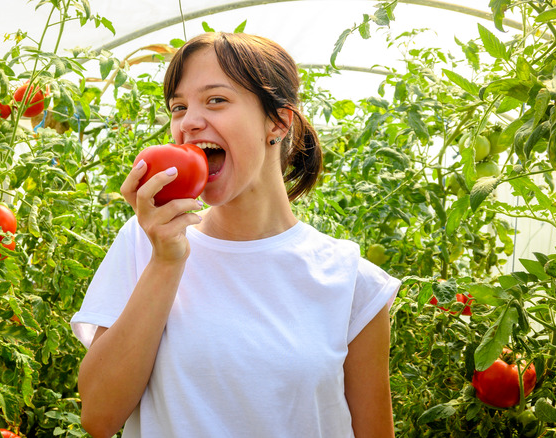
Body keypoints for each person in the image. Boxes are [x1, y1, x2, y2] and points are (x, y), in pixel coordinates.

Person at [71, 32, 401, 438]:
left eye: (216, 100)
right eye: (178, 107)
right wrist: (166, 261)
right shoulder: (146, 241)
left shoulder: (352, 282)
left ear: (278, 122)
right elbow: (99, 416)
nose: (188, 122)